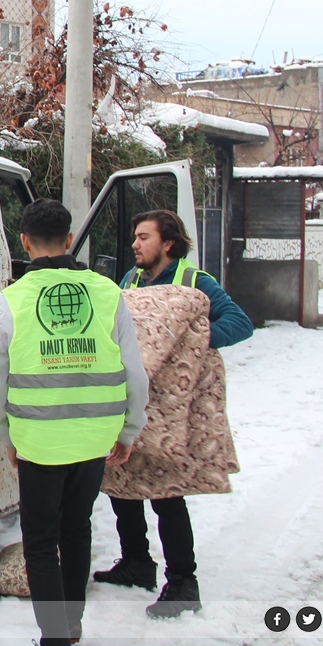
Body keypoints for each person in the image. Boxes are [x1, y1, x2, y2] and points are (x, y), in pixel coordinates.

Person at [0, 199, 149, 646]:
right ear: (72, 240)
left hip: (40, 439)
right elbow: (134, 370)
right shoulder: (107, 292)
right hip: (96, 436)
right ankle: (70, 627)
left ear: (25, 243)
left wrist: (3, 432)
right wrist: (129, 430)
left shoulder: (12, 299)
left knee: (40, 541)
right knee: (77, 529)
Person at [93, 208, 253, 618]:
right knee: (121, 479)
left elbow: (240, 322)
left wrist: (190, 344)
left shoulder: (195, 282)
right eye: (135, 237)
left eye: (143, 237)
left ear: (167, 243)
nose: (135, 244)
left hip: (171, 410)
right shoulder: (129, 281)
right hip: (135, 398)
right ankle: (136, 563)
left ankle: (183, 581)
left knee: (166, 492)